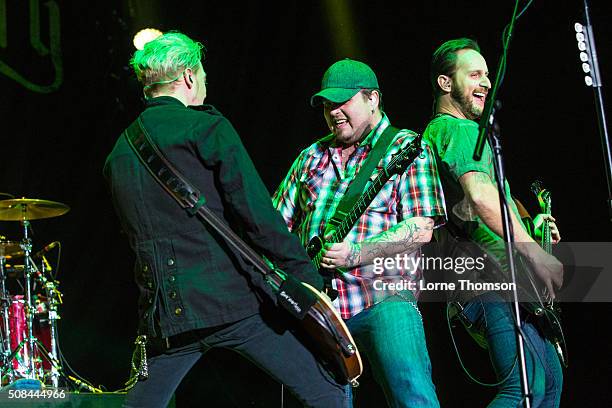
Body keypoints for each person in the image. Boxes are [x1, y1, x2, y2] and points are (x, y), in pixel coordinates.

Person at [103, 31, 346, 408]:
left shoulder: (117, 154)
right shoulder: (205, 127)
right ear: (187, 77)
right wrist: (309, 282)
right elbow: (259, 218)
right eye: (201, 77)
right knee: (329, 390)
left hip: (167, 318)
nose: (203, 85)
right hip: (231, 304)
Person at [273, 58, 446, 407]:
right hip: (319, 310)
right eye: (326, 104)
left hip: (384, 298)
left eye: (342, 102)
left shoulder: (405, 147)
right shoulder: (310, 156)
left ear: (373, 99)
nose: (333, 111)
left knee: (413, 397)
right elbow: (274, 227)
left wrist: (355, 253)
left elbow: (421, 227)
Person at [422, 38, 564, 407]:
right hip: (488, 280)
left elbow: (484, 208)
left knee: (547, 387)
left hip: (501, 280)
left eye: (487, 75)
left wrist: (532, 228)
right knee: (523, 391)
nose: (486, 82)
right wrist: (536, 253)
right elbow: (481, 197)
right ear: (445, 83)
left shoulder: (450, 134)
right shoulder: (458, 130)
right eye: (474, 74)